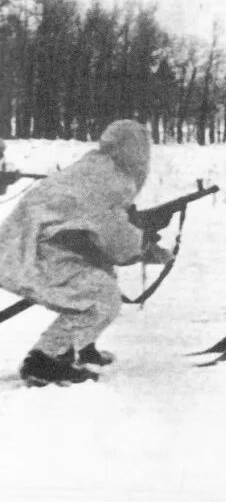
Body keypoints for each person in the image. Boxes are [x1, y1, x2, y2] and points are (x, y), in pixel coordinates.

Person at [0, 120, 172, 387]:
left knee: (99, 274)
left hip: (33, 246)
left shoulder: (98, 168)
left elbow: (97, 227)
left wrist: (138, 234)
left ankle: (81, 347)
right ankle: (44, 360)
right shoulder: (108, 179)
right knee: (101, 297)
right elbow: (115, 238)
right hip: (30, 252)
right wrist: (144, 243)